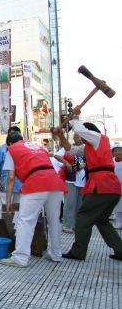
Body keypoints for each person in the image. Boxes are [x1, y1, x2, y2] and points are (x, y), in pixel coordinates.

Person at [54, 107, 122, 261]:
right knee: (101, 220)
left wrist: (74, 117)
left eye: (82, 136)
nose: (81, 139)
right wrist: (61, 136)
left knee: (84, 217)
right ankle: (120, 250)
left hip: (101, 185)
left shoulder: (98, 138)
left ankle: (78, 252)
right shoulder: (92, 147)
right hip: (111, 187)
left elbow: (80, 130)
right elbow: (70, 150)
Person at [0, 132, 66, 268]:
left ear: (9, 143)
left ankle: (20, 258)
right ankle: (56, 254)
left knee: (26, 220)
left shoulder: (11, 150)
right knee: (54, 221)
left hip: (36, 182)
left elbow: (11, 178)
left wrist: (8, 202)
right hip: (55, 182)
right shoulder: (38, 147)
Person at [0, 126, 23, 205]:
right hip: (5, 183)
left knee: (19, 209)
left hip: (20, 184)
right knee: (5, 209)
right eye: (12, 134)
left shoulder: (23, 148)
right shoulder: (1, 149)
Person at [112, 144, 122, 229]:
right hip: (115, 186)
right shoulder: (111, 161)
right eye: (116, 150)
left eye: (120, 150)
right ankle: (119, 222)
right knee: (117, 204)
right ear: (113, 153)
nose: (118, 152)